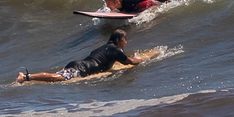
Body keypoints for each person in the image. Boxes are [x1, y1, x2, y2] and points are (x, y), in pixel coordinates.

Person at [17, 30, 147, 83]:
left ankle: (29, 78)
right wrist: (144, 60)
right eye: (125, 40)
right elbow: (128, 61)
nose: (126, 42)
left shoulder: (105, 47)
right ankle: (26, 76)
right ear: (120, 40)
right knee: (55, 77)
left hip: (78, 64)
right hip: (81, 69)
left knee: (55, 77)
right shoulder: (115, 50)